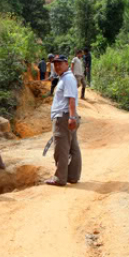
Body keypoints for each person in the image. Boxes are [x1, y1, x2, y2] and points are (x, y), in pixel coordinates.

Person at [45, 55, 82, 186]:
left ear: (66, 64)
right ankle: (72, 176)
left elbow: (71, 99)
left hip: (64, 117)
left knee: (61, 148)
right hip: (67, 116)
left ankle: (60, 178)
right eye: (55, 64)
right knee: (73, 147)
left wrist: (71, 117)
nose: (57, 66)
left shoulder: (67, 78)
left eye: (59, 63)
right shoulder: (65, 78)